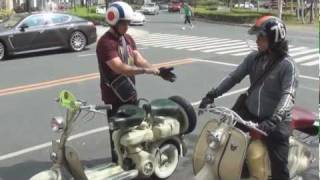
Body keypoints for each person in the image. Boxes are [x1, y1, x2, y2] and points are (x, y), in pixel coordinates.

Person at [198, 16, 298, 180]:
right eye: (257, 37)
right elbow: (233, 77)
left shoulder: (287, 65)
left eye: (261, 37)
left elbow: (288, 95)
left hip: (276, 120)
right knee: (225, 138)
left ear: (274, 41)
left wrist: (274, 120)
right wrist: (212, 94)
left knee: (279, 165)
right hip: (250, 112)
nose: (257, 41)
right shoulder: (254, 58)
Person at [96, 1, 175, 162]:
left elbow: (139, 59)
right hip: (113, 97)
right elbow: (120, 68)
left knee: (133, 131)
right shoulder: (105, 43)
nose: (127, 26)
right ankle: (117, 163)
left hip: (129, 93)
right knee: (117, 134)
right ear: (114, 22)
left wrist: (158, 71)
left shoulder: (128, 39)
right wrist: (147, 71)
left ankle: (133, 161)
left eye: (128, 23)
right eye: (124, 23)